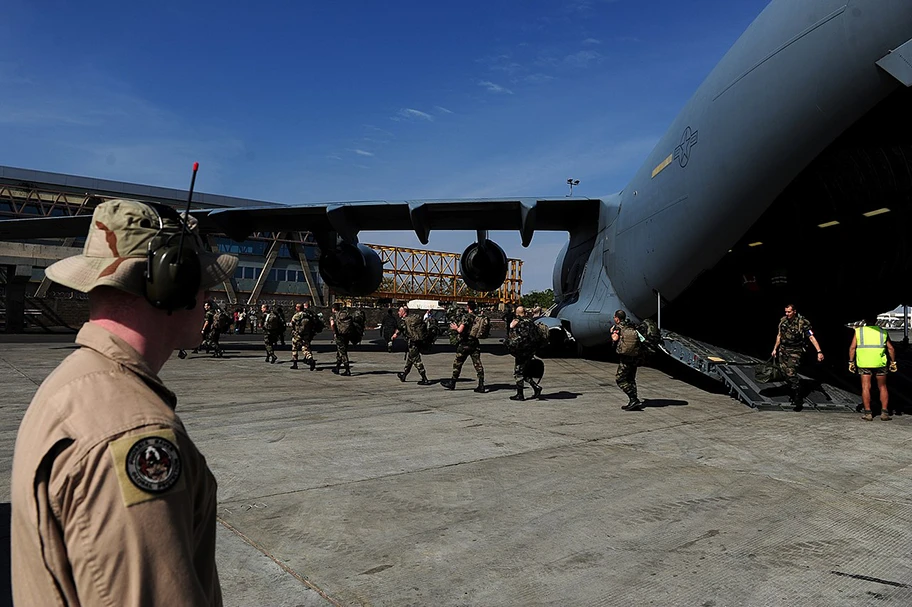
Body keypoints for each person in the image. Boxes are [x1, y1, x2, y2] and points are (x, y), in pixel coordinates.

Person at [11, 199, 235, 605]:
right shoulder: (134, 435)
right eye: (201, 281)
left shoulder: (73, 383)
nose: (208, 296)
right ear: (173, 285)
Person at [771, 303, 824, 411]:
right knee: (784, 371)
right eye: (786, 312)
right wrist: (775, 349)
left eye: (789, 312)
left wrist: (819, 351)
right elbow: (779, 335)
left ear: (794, 311)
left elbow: (811, 337)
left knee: (791, 371)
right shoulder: (783, 321)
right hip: (783, 350)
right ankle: (793, 388)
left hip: (795, 351)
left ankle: (797, 394)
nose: (787, 314)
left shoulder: (802, 323)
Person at [849, 317, 898, 421]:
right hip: (880, 362)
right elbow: (891, 348)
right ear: (875, 321)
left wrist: (851, 362)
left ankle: (868, 413)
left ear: (865, 321)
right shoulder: (882, 331)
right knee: (883, 387)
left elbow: (852, 347)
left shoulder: (859, 331)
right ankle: (884, 412)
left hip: (864, 362)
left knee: (866, 387)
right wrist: (893, 362)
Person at [441, 300, 485, 393]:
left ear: (468, 307)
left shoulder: (466, 316)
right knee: (478, 364)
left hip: (465, 343)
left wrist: (455, 328)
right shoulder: (478, 317)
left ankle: (452, 382)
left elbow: (460, 330)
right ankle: (481, 385)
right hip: (475, 343)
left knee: (458, 363)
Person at [505, 306, 543, 401]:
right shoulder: (531, 322)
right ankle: (536, 387)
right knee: (524, 372)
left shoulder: (517, 323)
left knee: (518, 372)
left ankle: (520, 394)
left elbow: (511, 334)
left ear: (517, 313)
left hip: (521, 351)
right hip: (530, 351)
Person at [611, 309, 646, 411]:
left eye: (615, 317)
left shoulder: (618, 327)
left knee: (620, 379)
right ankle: (633, 403)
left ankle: (633, 398)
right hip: (634, 357)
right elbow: (642, 339)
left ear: (617, 318)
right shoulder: (632, 325)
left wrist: (612, 334)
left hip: (625, 358)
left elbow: (614, 339)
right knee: (631, 379)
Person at [390, 305, 432, 385]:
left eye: (399, 311)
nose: (398, 312)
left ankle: (425, 378)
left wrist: (394, 336)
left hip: (413, 343)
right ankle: (404, 375)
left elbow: (399, 329)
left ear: (403, 312)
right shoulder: (412, 319)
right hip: (418, 341)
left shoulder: (404, 321)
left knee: (417, 360)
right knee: (410, 360)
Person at [290, 301, 318, 371]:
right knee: (306, 348)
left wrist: (294, 329)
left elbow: (292, 323)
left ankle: (295, 364)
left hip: (298, 334)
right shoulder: (308, 315)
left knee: (294, 348)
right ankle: (311, 360)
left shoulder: (297, 315)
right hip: (306, 335)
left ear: (298, 308)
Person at [329, 302, 353, 375]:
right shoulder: (345, 314)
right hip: (347, 335)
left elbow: (332, 325)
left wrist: (335, 333)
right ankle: (337, 368)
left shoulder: (334, 316)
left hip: (339, 335)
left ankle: (347, 370)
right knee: (340, 351)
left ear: (333, 309)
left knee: (342, 353)